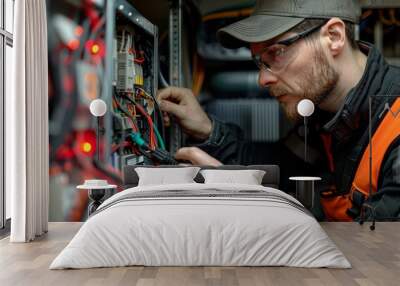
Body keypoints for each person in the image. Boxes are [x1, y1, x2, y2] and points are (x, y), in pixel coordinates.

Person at [157, 0, 400, 221]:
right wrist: (209, 132)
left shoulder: (393, 122)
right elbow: (278, 167)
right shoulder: (323, 115)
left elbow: (379, 251)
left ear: (334, 37)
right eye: (260, 62)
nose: (262, 79)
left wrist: (247, 201)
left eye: (277, 52)